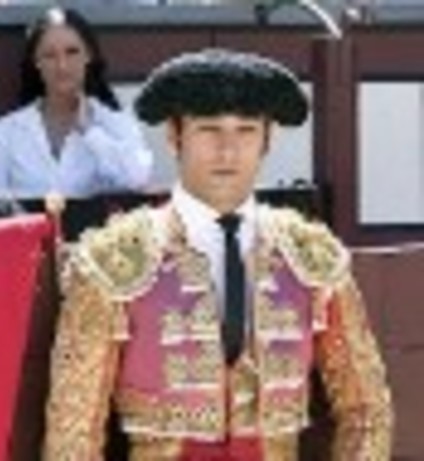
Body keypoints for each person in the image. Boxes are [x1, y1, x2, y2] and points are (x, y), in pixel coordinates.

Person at [43, 48, 393, 460]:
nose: (228, 151)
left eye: (245, 131)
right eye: (209, 130)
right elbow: (73, 430)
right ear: (175, 136)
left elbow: (367, 411)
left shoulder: (312, 258)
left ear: (267, 139)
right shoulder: (113, 259)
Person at [0, 7, 153, 199]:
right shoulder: (3, 134)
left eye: (72, 52)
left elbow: (138, 178)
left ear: (88, 55)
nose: (62, 65)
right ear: (36, 62)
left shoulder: (115, 123)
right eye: (50, 55)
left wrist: (90, 133)